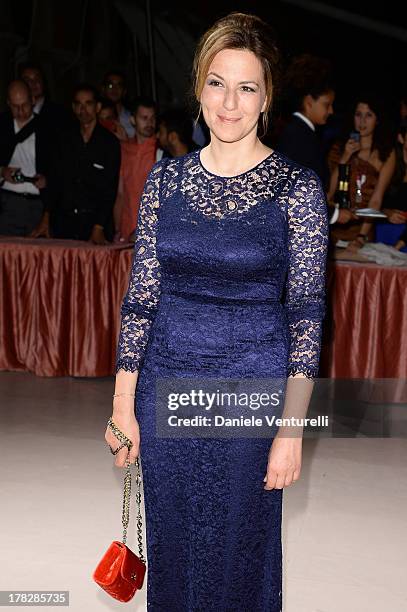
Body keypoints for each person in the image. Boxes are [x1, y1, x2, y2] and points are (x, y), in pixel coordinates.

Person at [106, 12, 328, 611]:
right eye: (216, 83)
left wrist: (291, 429)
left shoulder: (296, 188)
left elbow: (307, 316)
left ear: (266, 99)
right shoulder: (165, 181)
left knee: (238, 552)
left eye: (246, 87)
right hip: (165, 391)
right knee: (175, 549)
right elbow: (141, 299)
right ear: (198, 88)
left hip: (250, 397)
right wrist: (122, 407)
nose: (229, 102)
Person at [31, 84, 120, 243]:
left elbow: (110, 188)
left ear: (97, 107)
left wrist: (98, 227)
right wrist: (46, 218)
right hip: (65, 223)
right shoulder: (63, 139)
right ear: (73, 107)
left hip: (95, 223)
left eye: (88, 104)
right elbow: (54, 180)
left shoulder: (109, 143)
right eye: (78, 104)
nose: (83, 109)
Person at [327, 93, 396, 248]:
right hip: (336, 225)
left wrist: (361, 237)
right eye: (358, 115)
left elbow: (377, 199)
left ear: (377, 120)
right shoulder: (339, 148)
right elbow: (329, 192)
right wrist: (346, 156)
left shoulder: (386, 154)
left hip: (363, 231)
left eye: (369, 115)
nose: (362, 121)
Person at [0, 80, 50, 236]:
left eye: (25, 105)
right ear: (8, 103)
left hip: (38, 205)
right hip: (6, 204)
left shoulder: (49, 128)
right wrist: (2, 172)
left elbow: (60, 169)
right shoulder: (1, 125)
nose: (21, 111)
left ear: (33, 100)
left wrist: (47, 180)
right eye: (15, 106)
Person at [276, 54, 335, 184]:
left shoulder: (296, 131)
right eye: (326, 105)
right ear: (309, 102)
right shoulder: (300, 136)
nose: (331, 111)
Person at [113, 97, 160, 242]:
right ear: (133, 120)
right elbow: (120, 193)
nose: (149, 123)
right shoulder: (123, 149)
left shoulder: (160, 150)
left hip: (152, 232)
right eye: (144, 118)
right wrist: (117, 229)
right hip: (127, 228)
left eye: (152, 118)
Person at [19, 61, 71, 131]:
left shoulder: (60, 113)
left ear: (43, 81)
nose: (33, 83)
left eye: (37, 78)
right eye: (27, 80)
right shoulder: (14, 114)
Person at [101, 70, 135, 138]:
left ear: (124, 91)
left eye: (119, 85)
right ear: (103, 89)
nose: (114, 89)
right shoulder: (94, 118)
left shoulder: (133, 119)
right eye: (110, 85)